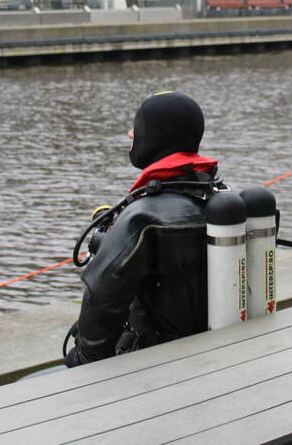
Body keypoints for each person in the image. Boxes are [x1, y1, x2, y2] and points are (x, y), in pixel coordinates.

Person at [64, 91, 228, 367]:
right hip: (218, 352)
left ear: (154, 138)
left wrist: (82, 360)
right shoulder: (222, 198)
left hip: (155, 364)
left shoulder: (142, 217)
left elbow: (101, 300)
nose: (131, 135)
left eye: (137, 129)